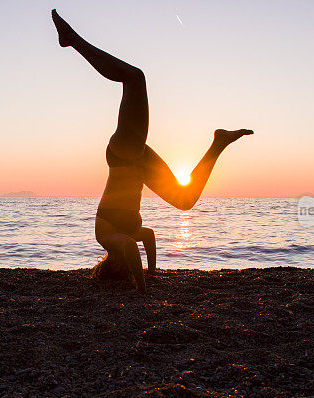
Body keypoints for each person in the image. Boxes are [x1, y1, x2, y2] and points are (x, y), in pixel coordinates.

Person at [52, 9, 253, 293]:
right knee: (185, 201)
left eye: (121, 267)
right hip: (141, 164)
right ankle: (217, 144)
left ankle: (72, 39)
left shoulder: (108, 238)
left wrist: (142, 289)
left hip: (123, 157)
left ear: (111, 263)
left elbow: (133, 250)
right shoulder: (130, 234)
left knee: (134, 78)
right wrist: (153, 272)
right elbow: (148, 237)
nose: (126, 263)